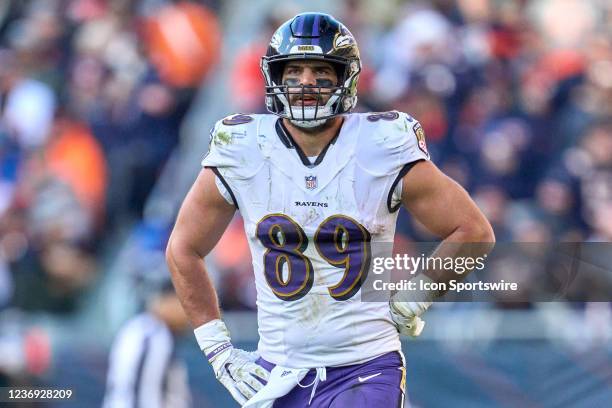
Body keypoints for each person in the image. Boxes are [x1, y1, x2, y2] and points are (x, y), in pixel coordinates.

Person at [166, 12, 494, 408]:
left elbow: (473, 232)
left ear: (346, 79)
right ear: (275, 77)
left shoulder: (381, 143)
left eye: (321, 72)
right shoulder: (242, 145)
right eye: (295, 71)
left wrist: (417, 294)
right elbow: (183, 248)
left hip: (365, 366)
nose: (306, 83)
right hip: (278, 372)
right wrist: (218, 349)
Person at [102, 272, 192, 408]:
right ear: (165, 301)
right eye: (183, 304)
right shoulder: (152, 335)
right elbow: (140, 394)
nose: (187, 313)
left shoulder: (152, 331)